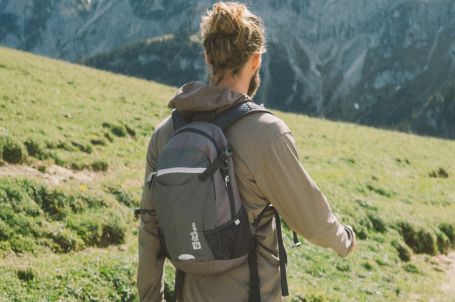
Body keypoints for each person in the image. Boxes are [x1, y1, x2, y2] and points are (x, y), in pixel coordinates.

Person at [137, 2, 356, 301]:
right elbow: (311, 219)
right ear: (255, 60)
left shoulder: (166, 133)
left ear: (207, 57)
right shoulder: (266, 133)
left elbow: (150, 226)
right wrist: (344, 240)